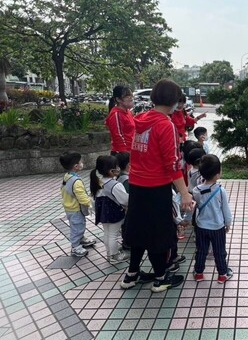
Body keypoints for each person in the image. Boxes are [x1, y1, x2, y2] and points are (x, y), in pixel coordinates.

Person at [120, 79, 196, 293]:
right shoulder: (165, 125)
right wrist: (184, 193)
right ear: (173, 101)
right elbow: (172, 165)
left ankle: (131, 275)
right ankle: (161, 278)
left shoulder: (140, 119)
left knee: (137, 230)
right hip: (156, 187)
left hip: (136, 185)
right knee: (159, 234)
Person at [192, 154, 233, 284]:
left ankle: (199, 273)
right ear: (217, 175)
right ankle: (222, 274)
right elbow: (225, 209)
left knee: (201, 251)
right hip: (217, 227)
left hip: (201, 227)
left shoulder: (196, 190)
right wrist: (228, 223)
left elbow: (197, 206)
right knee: (219, 251)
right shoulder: (220, 190)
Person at [90, 155, 130, 265]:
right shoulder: (115, 185)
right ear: (111, 170)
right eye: (116, 167)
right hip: (114, 214)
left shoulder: (98, 182)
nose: (118, 168)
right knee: (113, 235)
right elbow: (125, 200)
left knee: (107, 233)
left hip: (103, 213)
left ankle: (109, 254)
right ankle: (114, 256)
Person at [59, 151, 96, 257]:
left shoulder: (67, 176)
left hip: (69, 207)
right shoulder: (76, 181)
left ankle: (81, 239)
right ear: (76, 166)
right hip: (75, 209)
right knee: (77, 227)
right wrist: (90, 204)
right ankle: (75, 247)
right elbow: (82, 197)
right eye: (81, 162)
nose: (82, 163)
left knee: (78, 225)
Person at [105, 85, 135, 155]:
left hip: (131, 150)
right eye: (127, 96)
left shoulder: (128, 112)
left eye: (131, 95)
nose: (130, 98)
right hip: (122, 153)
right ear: (118, 99)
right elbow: (118, 136)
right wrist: (126, 153)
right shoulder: (116, 114)